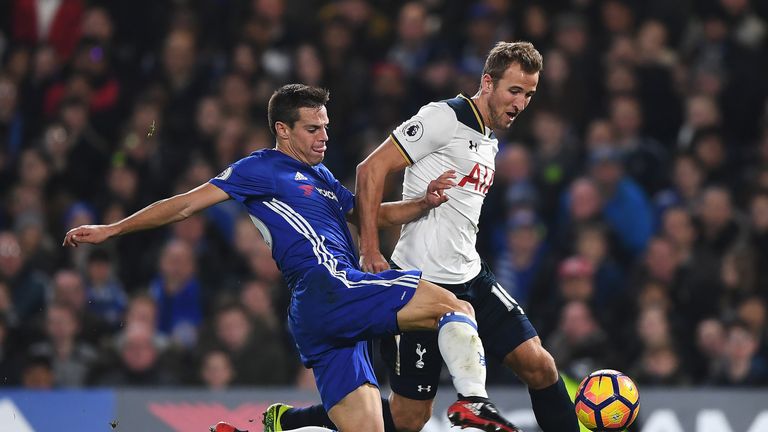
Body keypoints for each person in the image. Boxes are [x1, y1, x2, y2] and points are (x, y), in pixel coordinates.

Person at [63, 84, 521, 432]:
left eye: (325, 126)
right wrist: (114, 229)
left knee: (370, 428)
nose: (325, 135)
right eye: (312, 128)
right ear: (283, 130)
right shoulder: (259, 168)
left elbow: (367, 213)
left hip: (320, 313)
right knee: (455, 307)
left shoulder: (319, 175)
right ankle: (472, 400)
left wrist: (423, 203)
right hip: (333, 286)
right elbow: (184, 203)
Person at [267, 42, 580, 432]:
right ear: (488, 82)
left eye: (529, 94)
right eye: (514, 91)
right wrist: (368, 248)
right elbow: (370, 170)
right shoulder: (442, 117)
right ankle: (291, 421)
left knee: (540, 364)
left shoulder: (488, 139)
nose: (521, 103)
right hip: (420, 286)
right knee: (409, 418)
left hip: (471, 277)